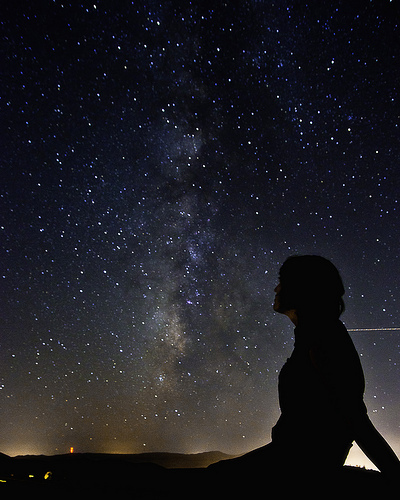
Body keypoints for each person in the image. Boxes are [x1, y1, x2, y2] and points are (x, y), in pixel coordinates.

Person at [209, 255, 400, 485]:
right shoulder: (314, 336)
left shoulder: (324, 338)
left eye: (283, 282)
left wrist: (394, 475)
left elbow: (354, 418)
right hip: (295, 461)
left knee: (214, 478)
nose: (276, 288)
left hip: (300, 468)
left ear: (303, 288)